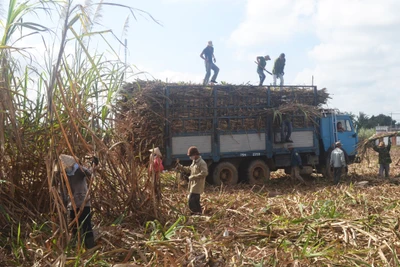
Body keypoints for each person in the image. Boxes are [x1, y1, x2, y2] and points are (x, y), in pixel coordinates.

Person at [59, 154, 98, 249]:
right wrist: (63, 204)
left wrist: (94, 163)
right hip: (72, 205)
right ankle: (76, 248)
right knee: (74, 228)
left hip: (84, 203)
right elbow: (63, 191)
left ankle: (90, 247)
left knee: (86, 226)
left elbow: (90, 173)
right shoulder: (65, 175)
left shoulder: (80, 170)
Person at [176, 146, 208, 215]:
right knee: (196, 201)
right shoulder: (194, 162)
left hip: (197, 185)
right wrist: (180, 167)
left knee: (191, 201)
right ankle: (199, 213)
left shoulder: (201, 163)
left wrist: (193, 177)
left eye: (191, 155)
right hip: (193, 185)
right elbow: (189, 169)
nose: (190, 157)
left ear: (196, 154)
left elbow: (204, 173)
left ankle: (194, 214)